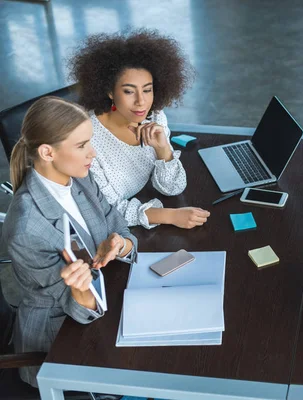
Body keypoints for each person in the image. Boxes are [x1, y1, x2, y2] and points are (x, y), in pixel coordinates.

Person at [3, 97, 138, 387]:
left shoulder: (78, 177)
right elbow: (76, 308)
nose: (93, 153)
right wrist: (80, 287)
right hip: (60, 336)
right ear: (47, 152)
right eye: (82, 146)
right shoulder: (27, 229)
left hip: (108, 294)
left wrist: (121, 245)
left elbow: (118, 225)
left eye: (89, 142)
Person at [69, 29, 210, 229]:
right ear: (109, 91)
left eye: (147, 89)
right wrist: (170, 216)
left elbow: (173, 188)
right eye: (128, 91)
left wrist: (163, 149)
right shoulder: (87, 139)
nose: (141, 102)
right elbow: (106, 210)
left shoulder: (155, 118)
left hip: (137, 209)